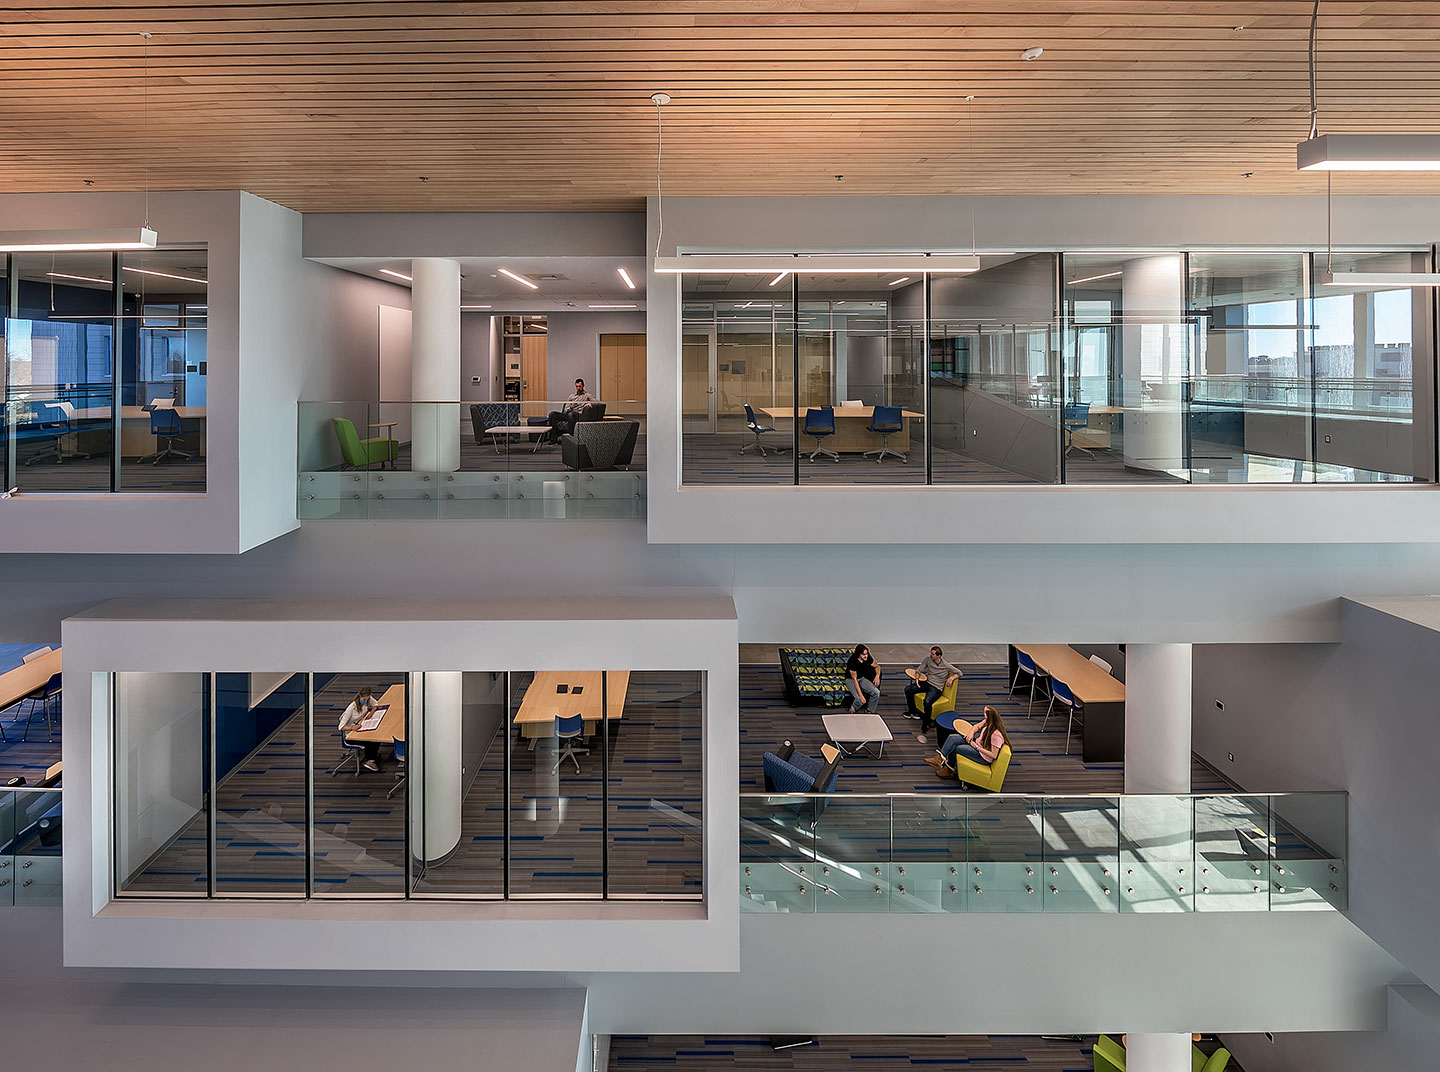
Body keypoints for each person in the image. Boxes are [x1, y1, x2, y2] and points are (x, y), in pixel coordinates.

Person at [926, 705, 1009, 783]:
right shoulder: (988, 722)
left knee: (956, 748)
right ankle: (939, 758)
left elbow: (993, 755)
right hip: (978, 744)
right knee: (953, 737)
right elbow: (976, 726)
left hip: (982, 756)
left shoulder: (996, 735)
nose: (983, 715)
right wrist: (971, 733)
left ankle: (949, 771)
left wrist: (976, 747)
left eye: (984, 713)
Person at [904, 645, 962, 741]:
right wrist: (917, 678)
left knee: (927, 702)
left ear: (939, 656)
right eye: (931, 653)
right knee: (908, 689)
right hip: (927, 683)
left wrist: (951, 678)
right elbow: (919, 669)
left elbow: (960, 673)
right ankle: (913, 712)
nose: (930, 655)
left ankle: (926, 723)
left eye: (933, 654)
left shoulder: (946, 665)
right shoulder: (928, 660)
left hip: (936, 688)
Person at [338, 685, 384, 772]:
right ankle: (369, 761)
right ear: (360, 696)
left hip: (361, 727)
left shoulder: (368, 699)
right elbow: (340, 727)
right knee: (371, 740)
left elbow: (375, 704)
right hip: (351, 735)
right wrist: (353, 728)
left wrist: (371, 713)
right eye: (364, 700)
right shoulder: (351, 708)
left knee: (377, 736)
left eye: (367, 699)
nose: (366, 701)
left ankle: (372, 757)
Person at [845, 643, 881, 713]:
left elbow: (877, 666)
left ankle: (870, 711)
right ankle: (853, 708)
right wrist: (861, 696)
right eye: (864, 654)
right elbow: (854, 679)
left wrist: (877, 676)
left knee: (876, 692)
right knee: (859, 699)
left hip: (861, 678)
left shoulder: (867, 658)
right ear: (859, 654)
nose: (866, 656)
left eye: (866, 654)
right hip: (851, 680)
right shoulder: (852, 661)